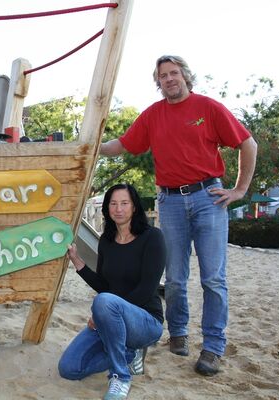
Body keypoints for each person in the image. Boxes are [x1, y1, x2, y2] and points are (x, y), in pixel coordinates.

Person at [99, 55, 258, 376]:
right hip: (170, 201)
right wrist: (89, 145)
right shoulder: (153, 115)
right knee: (174, 277)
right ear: (158, 82)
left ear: (185, 76)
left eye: (174, 73)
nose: (169, 79)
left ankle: (213, 347)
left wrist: (240, 190)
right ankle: (179, 332)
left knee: (213, 278)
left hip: (208, 198)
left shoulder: (208, 108)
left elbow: (247, 143)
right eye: (163, 75)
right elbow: (122, 144)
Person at [59, 184, 166, 400]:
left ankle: (120, 377)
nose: (118, 209)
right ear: (107, 209)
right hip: (111, 318)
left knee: (105, 302)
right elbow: (104, 285)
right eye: (113, 204)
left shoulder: (152, 237)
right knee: (68, 368)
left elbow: (146, 289)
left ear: (134, 207)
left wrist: (105, 312)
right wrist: (77, 261)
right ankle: (128, 353)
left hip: (145, 322)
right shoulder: (106, 242)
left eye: (124, 203)